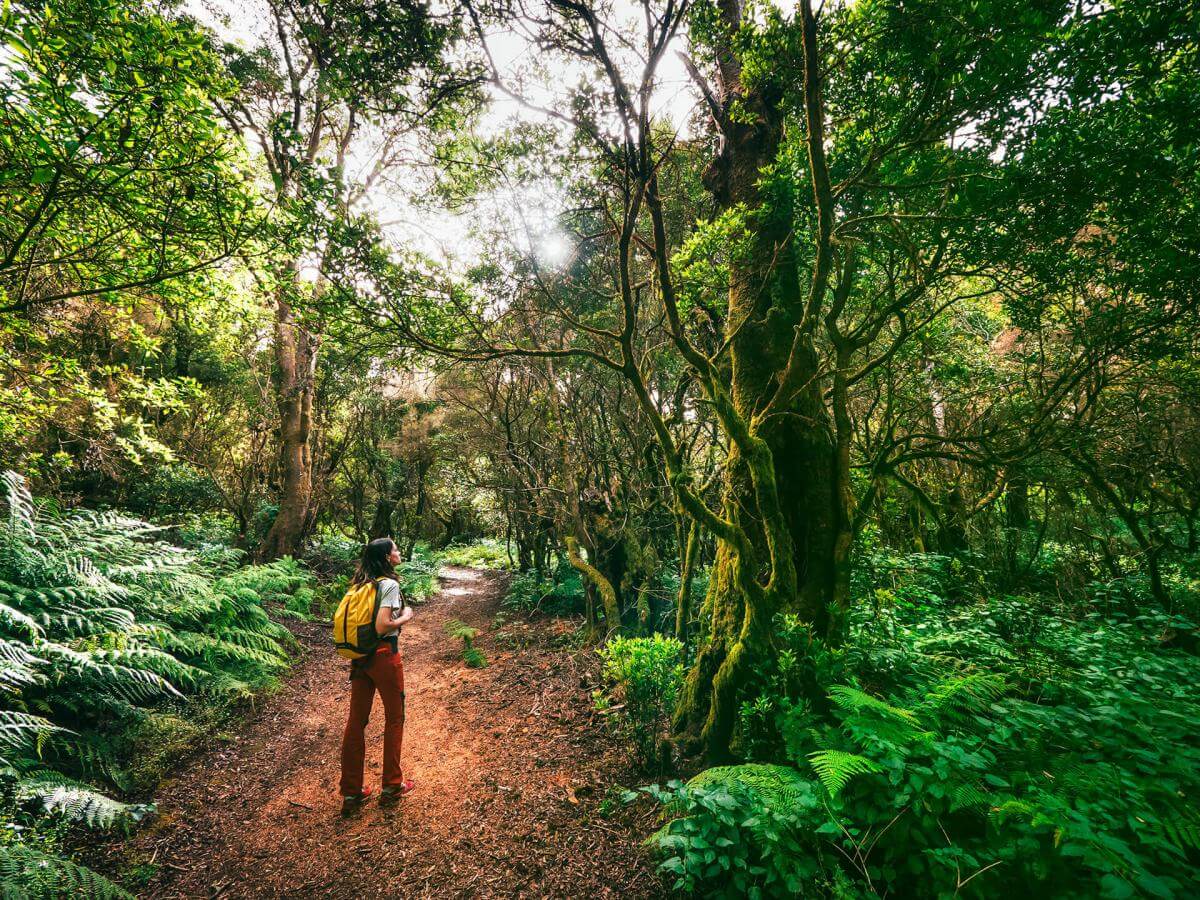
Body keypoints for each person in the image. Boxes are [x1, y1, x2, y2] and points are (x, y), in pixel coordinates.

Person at [339, 537, 415, 814]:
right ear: (386, 557)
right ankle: (392, 785)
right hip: (384, 655)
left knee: (356, 721)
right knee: (395, 717)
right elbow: (383, 625)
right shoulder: (389, 585)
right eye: (395, 549)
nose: (398, 552)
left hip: (360, 658)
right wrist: (405, 616)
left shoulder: (360, 586)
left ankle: (351, 793)